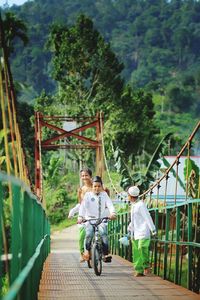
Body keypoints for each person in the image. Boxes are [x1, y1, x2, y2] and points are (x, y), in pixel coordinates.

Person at [78, 176, 116, 262]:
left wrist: (113, 213)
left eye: (99, 186)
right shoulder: (88, 195)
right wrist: (80, 217)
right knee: (89, 234)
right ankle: (87, 251)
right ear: (92, 187)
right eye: (95, 186)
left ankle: (106, 254)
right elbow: (83, 207)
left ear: (102, 186)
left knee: (103, 234)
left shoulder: (104, 195)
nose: (97, 188)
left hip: (101, 219)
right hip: (89, 219)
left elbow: (110, 205)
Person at [127, 185, 156, 277]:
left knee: (142, 248)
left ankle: (146, 266)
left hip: (143, 231)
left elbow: (147, 217)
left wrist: (153, 229)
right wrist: (130, 227)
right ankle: (138, 270)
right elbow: (134, 219)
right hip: (135, 232)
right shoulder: (133, 205)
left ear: (130, 196)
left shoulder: (141, 205)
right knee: (136, 251)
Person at [68, 168, 93, 262]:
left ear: (90, 176)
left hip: (94, 216)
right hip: (83, 218)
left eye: (86, 175)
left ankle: (101, 252)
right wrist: (72, 213)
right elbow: (79, 205)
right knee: (82, 237)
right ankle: (82, 254)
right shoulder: (81, 189)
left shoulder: (95, 187)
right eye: (82, 176)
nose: (84, 177)